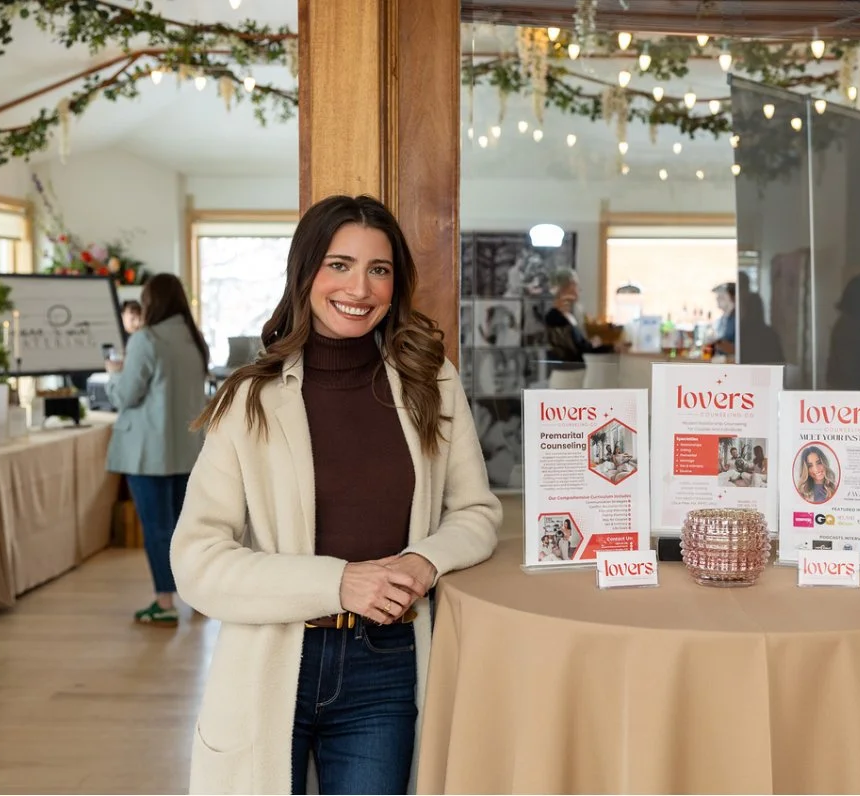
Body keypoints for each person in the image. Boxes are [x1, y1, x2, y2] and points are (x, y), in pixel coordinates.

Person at [170, 194, 501, 795]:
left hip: (387, 663)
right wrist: (338, 582)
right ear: (305, 273)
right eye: (339, 264)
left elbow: (476, 512)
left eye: (379, 269)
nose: (361, 287)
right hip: (271, 659)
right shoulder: (249, 400)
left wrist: (424, 560)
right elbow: (195, 562)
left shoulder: (432, 381)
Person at [105, 274, 208, 625]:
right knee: (186, 526)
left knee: (157, 527)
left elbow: (125, 395)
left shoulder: (145, 339)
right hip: (189, 450)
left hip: (148, 452)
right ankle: (197, 597)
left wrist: (114, 373)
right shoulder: (194, 340)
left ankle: (163, 602)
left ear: (152, 302)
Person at [543, 268, 618, 372]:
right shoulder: (555, 317)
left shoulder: (569, 316)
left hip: (573, 375)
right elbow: (574, 350)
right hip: (565, 376)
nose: (578, 289)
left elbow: (579, 344)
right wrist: (593, 345)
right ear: (568, 287)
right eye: (575, 285)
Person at [826, 275, 860, 389]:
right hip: (851, 394)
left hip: (843, 392)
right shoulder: (851, 326)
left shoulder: (844, 323)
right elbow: (850, 369)